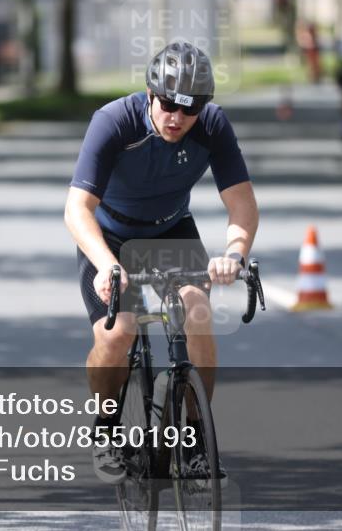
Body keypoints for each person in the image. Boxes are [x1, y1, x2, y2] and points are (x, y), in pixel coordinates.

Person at [64, 41, 259, 484]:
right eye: (168, 104)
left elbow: (242, 204)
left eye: (189, 109)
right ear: (151, 94)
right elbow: (77, 209)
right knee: (117, 332)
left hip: (170, 229)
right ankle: (107, 427)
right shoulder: (114, 122)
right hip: (110, 236)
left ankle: (195, 440)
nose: (177, 117)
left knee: (197, 311)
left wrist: (234, 254)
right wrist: (106, 264)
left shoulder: (213, 126)